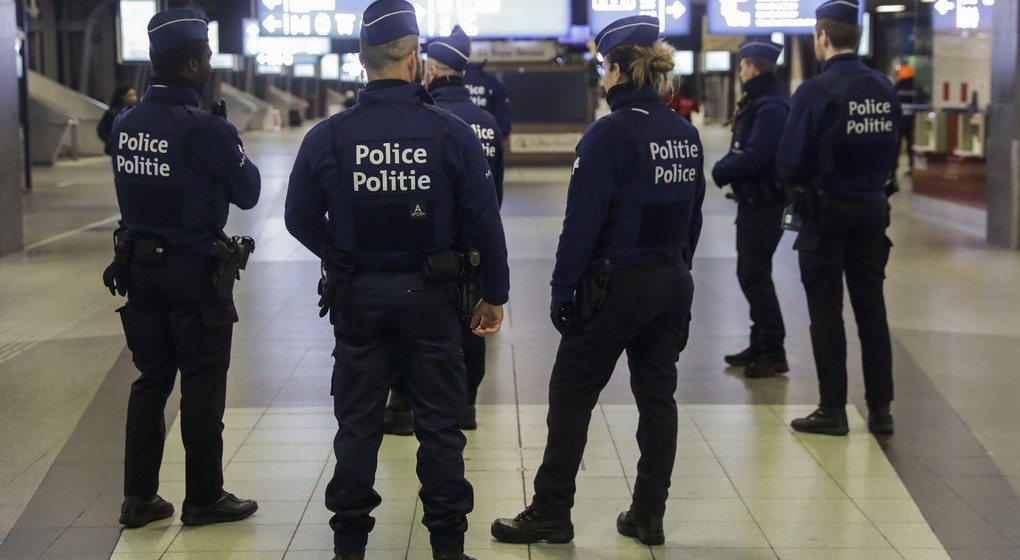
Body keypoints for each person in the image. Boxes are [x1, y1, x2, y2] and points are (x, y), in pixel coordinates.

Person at [283, 2, 509, 559]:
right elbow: (485, 220)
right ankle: (449, 549)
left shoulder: (328, 137)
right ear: (414, 60)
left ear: (363, 62)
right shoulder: (451, 134)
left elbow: (297, 217)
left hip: (357, 298)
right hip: (433, 300)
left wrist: (339, 256)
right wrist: (494, 294)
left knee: (357, 426)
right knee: (439, 428)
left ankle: (349, 548)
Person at [490, 15, 704, 547]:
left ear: (616, 71)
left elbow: (581, 222)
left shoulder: (608, 135)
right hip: (671, 281)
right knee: (658, 398)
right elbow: (693, 217)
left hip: (617, 287)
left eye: (603, 69)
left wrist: (563, 290)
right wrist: (676, 269)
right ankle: (647, 515)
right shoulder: (684, 134)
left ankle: (551, 513)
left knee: (571, 394)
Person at [105, 8, 261, 528]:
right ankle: (204, 496)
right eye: (209, 58)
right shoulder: (206, 130)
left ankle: (139, 498)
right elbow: (249, 190)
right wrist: (226, 137)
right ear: (195, 65)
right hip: (194, 275)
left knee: (150, 381)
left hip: (140, 272)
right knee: (200, 384)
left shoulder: (126, 126)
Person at [776, 0, 901, 436]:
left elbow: (788, 161)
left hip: (826, 214)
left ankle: (832, 409)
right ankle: (881, 410)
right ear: (858, 37)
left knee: (827, 312)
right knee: (872, 310)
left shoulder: (815, 91)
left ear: (822, 38)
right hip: (872, 210)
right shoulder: (884, 88)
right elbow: (893, 152)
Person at [382, 24, 506, 435]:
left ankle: (403, 402)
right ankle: (465, 406)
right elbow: (495, 195)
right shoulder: (486, 122)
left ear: (430, 72)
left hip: (428, 247)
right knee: (472, 330)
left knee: (414, 331)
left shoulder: (430, 123)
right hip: (473, 249)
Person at [711, 39, 791, 378]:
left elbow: (757, 156)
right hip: (753, 203)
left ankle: (774, 350)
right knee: (753, 274)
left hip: (765, 204)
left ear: (752, 68)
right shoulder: (761, 101)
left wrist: (721, 170)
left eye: (742, 66)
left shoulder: (771, 107)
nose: (741, 71)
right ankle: (759, 342)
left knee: (753, 275)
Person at [464, 60, 511, 140]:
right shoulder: (492, 82)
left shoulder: (454, 82)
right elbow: (503, 123)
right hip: (487, 140)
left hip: (460, 142)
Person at [97, 85, 139, 155]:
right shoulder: (113, 113)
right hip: (115, 150)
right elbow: (101, 130)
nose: (134, 98)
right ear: (122, 97)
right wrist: (112, 140)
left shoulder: (137, 112)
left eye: (135, 95)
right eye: (131, 95)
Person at [894, 62, 916, 173]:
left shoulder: (897, 87)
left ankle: (893, 168)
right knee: (911, 144)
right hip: (912, 120)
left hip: (900, 120)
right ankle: (912, 166)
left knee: (896, 145)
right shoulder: (916, 87)